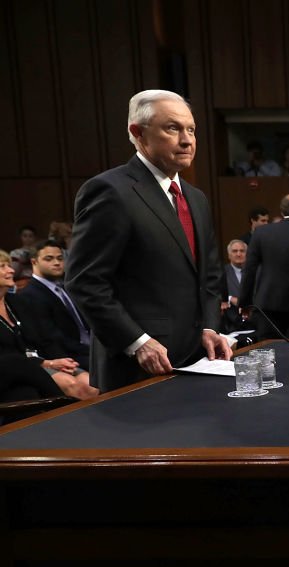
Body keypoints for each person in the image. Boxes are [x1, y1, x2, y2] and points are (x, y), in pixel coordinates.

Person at [65, 89, 231, 392]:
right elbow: (85, 282)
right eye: (173, 128)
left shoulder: (196, 198)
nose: (187, 140)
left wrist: (209, 327)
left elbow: (208, 277)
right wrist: (137, 342)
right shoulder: (110, 191)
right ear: (138, 133)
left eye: (191, 130)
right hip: (136, 368)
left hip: (196, 361)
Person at [0, 250, 96, 400]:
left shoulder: (19, 302)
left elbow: (46, 338)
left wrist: (61, 360)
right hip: (18, 371)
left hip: (44, 360)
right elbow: (8, 359)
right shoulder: (28, 295)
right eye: (2, 266)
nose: (11, 270)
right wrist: (47, 363)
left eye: (9, 265)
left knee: (90, 384)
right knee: (74, 386)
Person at [238, 193, 289, 340]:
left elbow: (249, 269)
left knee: (269, 352)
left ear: (282, 212)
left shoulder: (262, 232)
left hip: (268, 303)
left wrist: (244, 302)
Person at [11, 240, 90, 368]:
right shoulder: (28, 295)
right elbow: (52, 338)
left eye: (60, 258)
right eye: (49, 259)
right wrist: (92, 351)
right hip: (69, 356)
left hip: (88, 348)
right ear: (34, 262)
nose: (57, 263)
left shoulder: (67, 287)